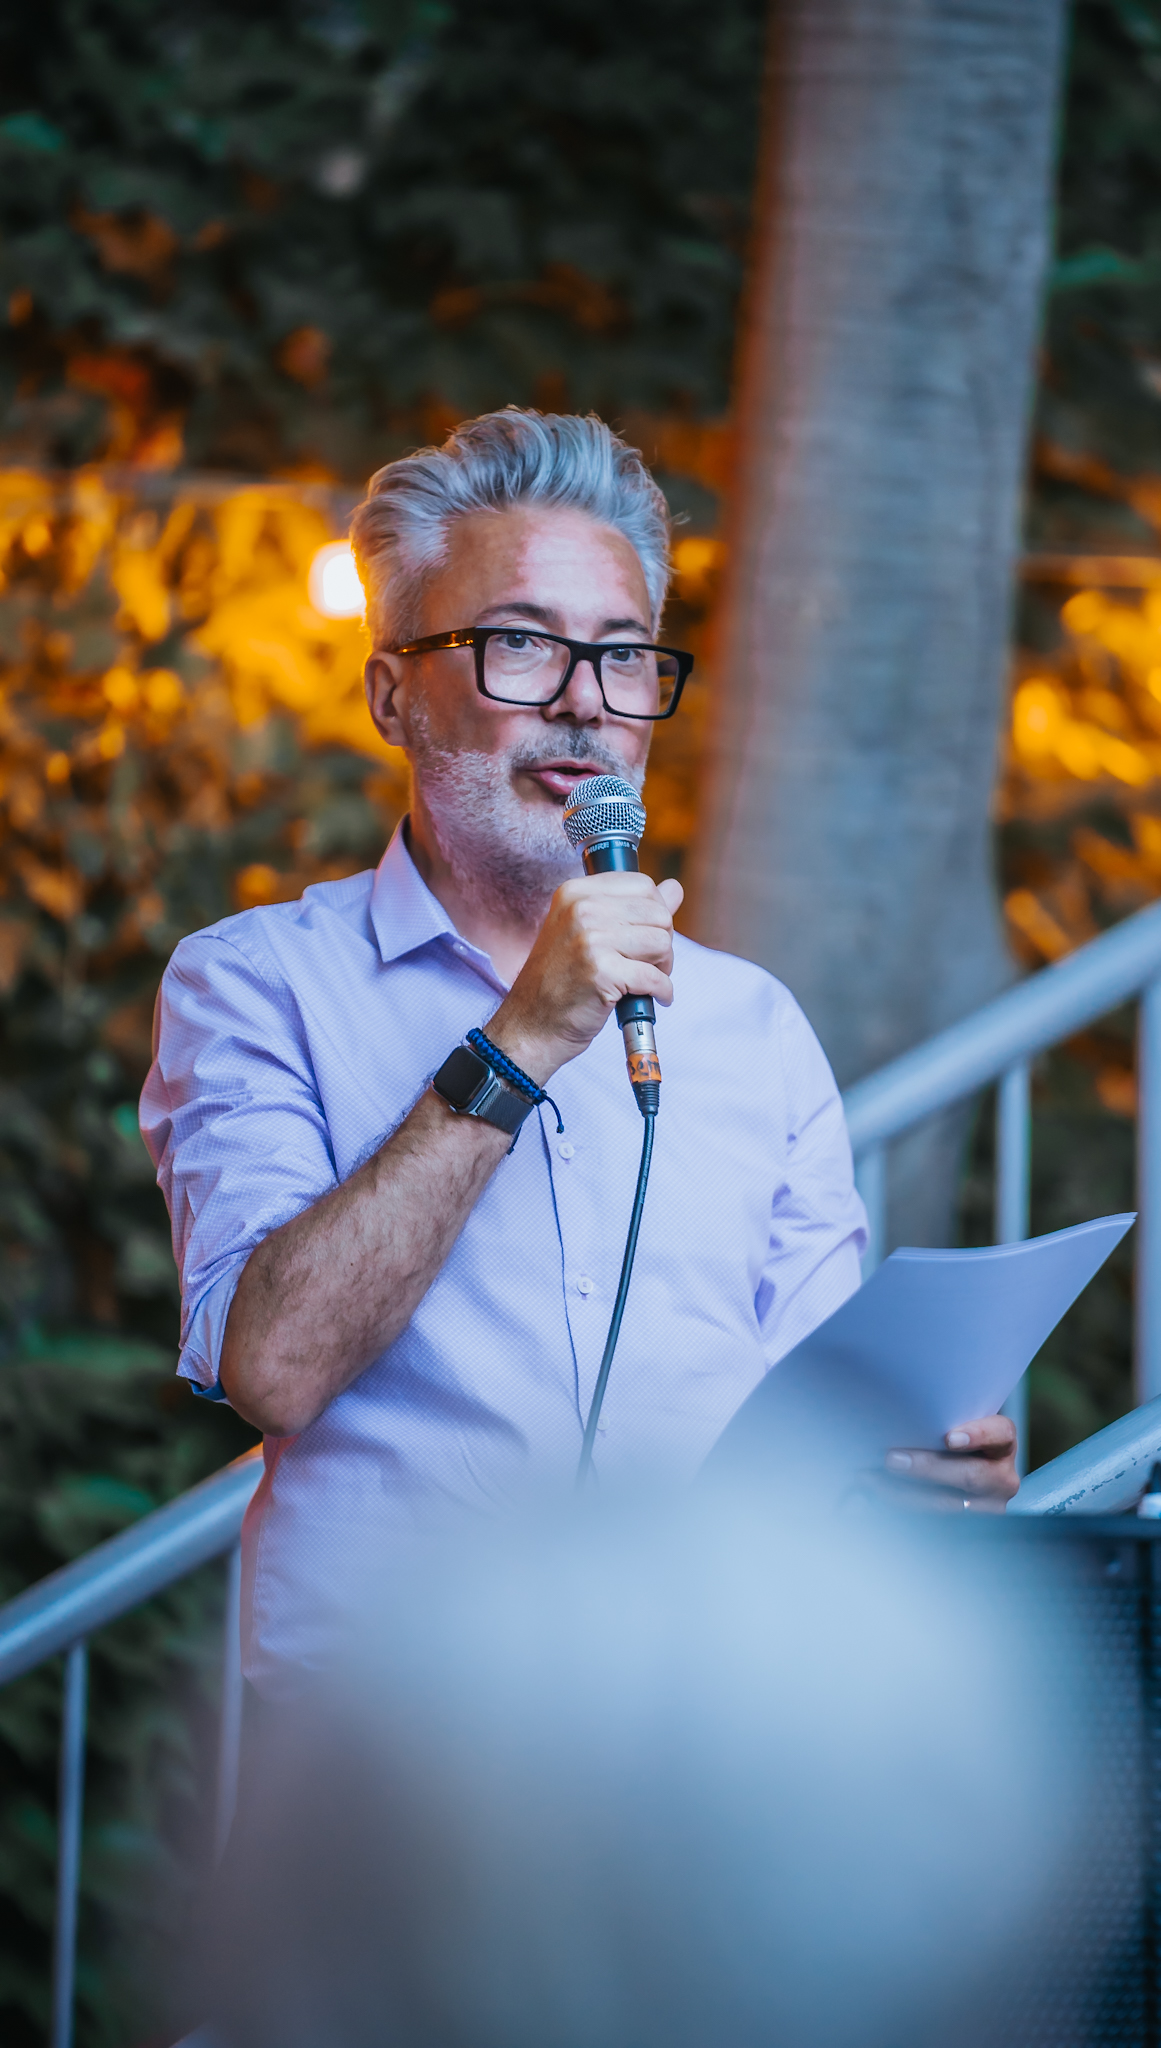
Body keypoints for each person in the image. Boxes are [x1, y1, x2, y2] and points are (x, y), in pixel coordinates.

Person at [140, 409, 1017, 1697]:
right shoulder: (255, 981)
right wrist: (522, 1040)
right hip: (387, 1748)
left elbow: (821, 1432)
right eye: (519, 646)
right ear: (393, 690)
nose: (582, 704)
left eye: (620, 658)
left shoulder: (754, 1027)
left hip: (706, 1732)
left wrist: (919, 1476)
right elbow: (274, 1364)